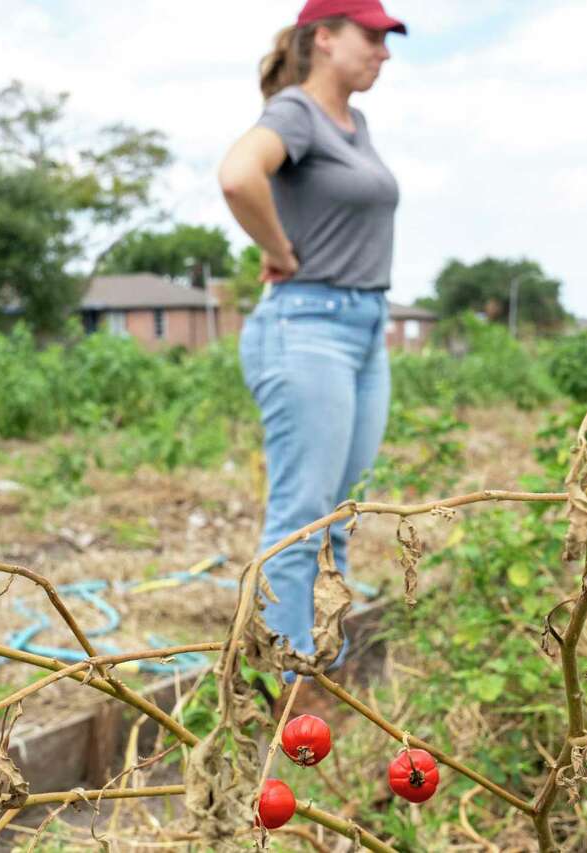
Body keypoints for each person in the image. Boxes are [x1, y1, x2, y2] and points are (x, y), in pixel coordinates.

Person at [218, 0, 406, 682]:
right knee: (301, 520)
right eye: (373, 37)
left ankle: (322, 666)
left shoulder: (356, 126)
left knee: (336, 518)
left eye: (388, 41)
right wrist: (278, 249)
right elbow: (239, 174)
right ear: (323, 38)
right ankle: (286, 688)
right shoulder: (297, 112)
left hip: (360, 331)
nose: (384, 53)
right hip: (306, 327)